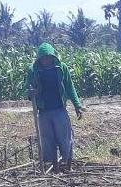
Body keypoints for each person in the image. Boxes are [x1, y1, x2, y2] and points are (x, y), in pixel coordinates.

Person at [25, 43, 84, 173]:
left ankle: (68, 165)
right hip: (43, 110)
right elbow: (27, 89)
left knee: (65, 138)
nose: (46, 60)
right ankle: (55, 168)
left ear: (53, 57)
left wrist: (77, 105)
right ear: (39, 59)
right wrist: (31, 93)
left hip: (59, 109)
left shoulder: (61, 68)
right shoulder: (33, 70)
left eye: (48, 57)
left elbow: (70, 87)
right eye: (43, 58)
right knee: (47, 139)